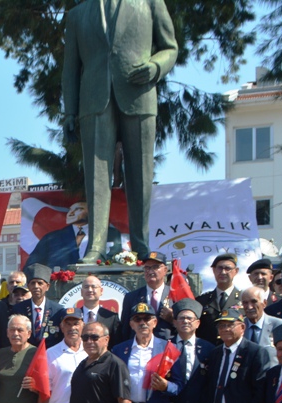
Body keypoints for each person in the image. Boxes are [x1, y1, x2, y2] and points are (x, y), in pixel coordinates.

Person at [61, 0, 177, 261]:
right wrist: (69, 110)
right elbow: (70, 67)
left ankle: (141, 244)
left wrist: (156, 67)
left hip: (139, 94)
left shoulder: (150, 3)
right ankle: (96, 246)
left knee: (141, 173)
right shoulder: (78, 15)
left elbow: (170, 47)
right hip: (94, 99)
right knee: (96, 177)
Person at [23, 201, 123, 268]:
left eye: (78, 209)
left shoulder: (110, 234)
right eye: (70, 210)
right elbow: (32, 265)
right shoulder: (52, 238)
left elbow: (116, 263)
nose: (70, 213)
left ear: (92, 212)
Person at [120, 252, 175, 341]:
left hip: (167, 347)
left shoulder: (175, 295)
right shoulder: (131, 297)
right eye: (147, 268)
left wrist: (173, 319)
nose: (150, 271)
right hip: (140, 347)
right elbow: (125, 329)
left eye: (155, 267)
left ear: (165, 270)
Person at [7, 264, 64, 347]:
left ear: (47, 286)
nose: (36, 286)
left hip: (50, 355)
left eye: (40, 283)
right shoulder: (19, 309)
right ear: (28, 286)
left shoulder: (57, 310)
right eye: (33, 283)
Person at [195, 254, 242, 345]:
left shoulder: (243, 299)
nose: (223, 272)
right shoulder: (202, 300)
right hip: (208, 352)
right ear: (214, 270)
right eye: (220, 268)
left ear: (236, 271)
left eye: (227, 268)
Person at [240, 286, 282, 363]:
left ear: (264, 303)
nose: (249, 307)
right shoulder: (239, 327)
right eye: (245, 303)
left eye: (254, 301)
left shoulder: (279, 326)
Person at [77, 274, 121, 345]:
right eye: (86, 287)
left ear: (101, 291)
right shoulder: (75, 316)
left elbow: (116, 344)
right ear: (82, 292)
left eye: (94, 287)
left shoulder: (111, 317)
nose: (90, 290)